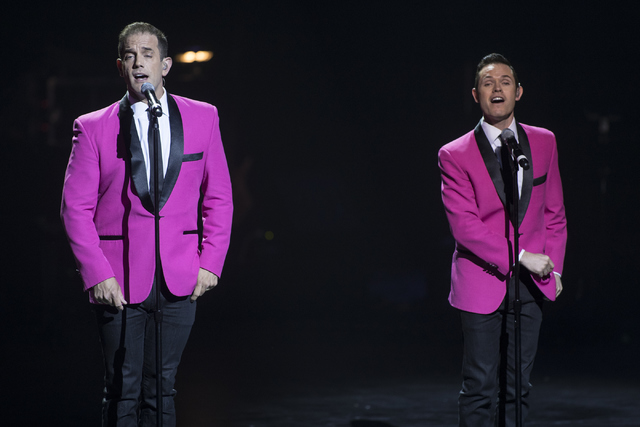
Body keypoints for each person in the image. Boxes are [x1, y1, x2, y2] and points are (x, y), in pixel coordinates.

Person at [60, 22, 233, 426]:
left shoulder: (203, 117)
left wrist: (210, 262)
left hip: (179, 274)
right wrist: (96, 274)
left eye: (148, 55)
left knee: (163, 388)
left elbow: (219, 197)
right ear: (121, 67)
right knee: (123, 388)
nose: (140, 63)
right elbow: (74, 209)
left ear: (166, 64)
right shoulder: (92, 127)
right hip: (118, 280)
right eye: (131, 56)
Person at [438, 53, 567, 426]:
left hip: (531, 285)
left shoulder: (544, 142)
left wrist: (553, 267)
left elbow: (554, 213)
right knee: (480, 386)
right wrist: (522, 255)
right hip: (481, 282)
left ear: (519, 92)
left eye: (506, 81)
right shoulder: (454, 153)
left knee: (518, 386)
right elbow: (465, 226)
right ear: (476, 94)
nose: (498, 88)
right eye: (489, 83)